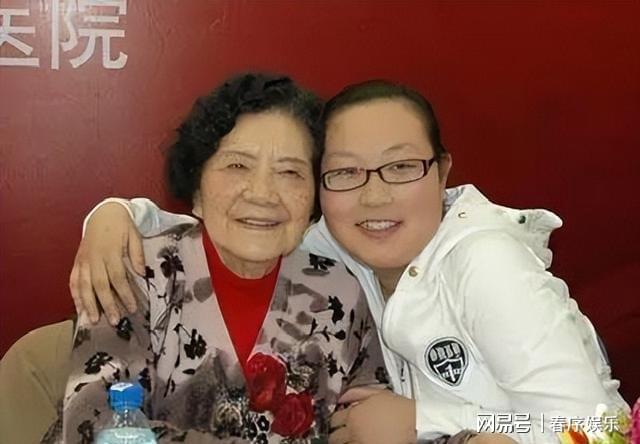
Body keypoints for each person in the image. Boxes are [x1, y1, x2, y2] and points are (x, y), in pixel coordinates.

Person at [68, 79, 630, 444]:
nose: (374, 196)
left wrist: (430, 419)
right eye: (345, 173)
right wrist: (113, 214)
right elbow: (230, 227)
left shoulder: (479, 266)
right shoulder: (333, 249)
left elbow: (598, 428)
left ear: (442, 171)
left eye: (401, 167)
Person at [3, 72, 397, 444]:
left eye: (290, 172)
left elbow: (368, 425)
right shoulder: (139, 272)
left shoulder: (339, 295)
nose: (262, 193)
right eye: (237, 166)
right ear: (196, 189)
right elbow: (95, 425)